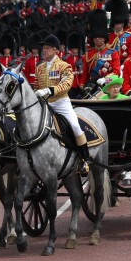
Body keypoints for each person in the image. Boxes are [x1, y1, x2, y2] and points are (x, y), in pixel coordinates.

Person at [35, 34, 90, 175]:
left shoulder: (65, 66)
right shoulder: (39, 68)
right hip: (44, 104)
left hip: (61, 103)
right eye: (43, 48)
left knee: (75, 126)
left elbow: (66, 85)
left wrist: (49, 90)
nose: (44, 51)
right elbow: (36, 86)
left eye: (47, 48)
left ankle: (85, 159)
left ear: (55, 50)